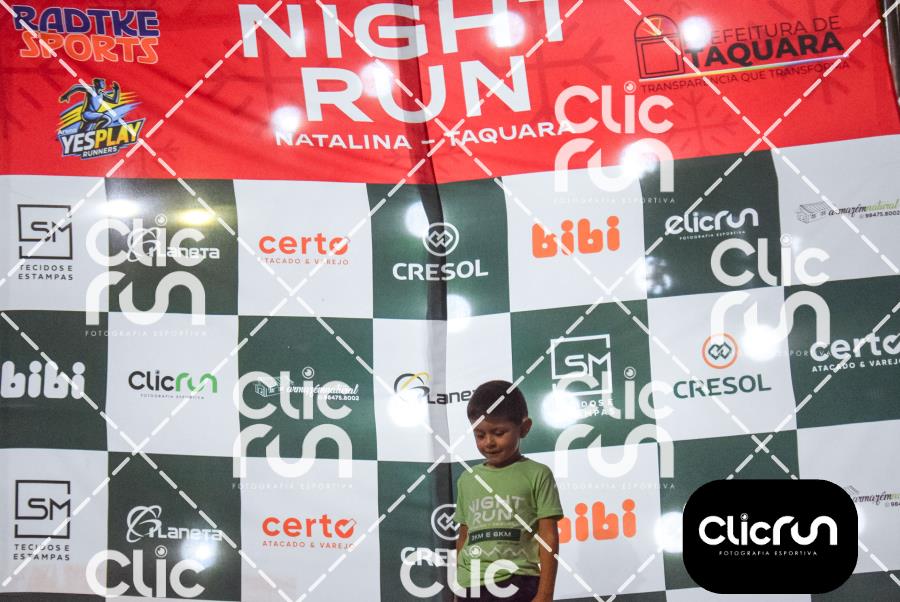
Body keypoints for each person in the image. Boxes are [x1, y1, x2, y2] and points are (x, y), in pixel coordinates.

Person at [454, 380, 563, 602]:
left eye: (498, 432)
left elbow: (549, 536)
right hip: (471, 586)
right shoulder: (467, 479)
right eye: (479, 435)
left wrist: (545, 594)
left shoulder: (538, 474)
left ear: (524, 428)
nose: (488, 442)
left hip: (518, 581)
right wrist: (458, 589)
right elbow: (464, 537)